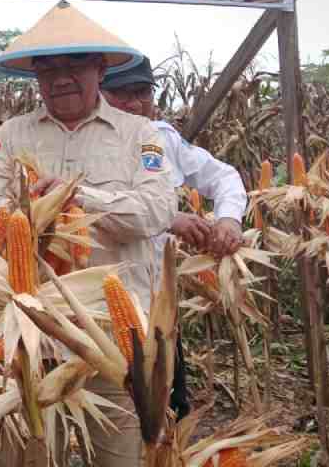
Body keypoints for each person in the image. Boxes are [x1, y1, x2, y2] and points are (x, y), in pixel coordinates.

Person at [0, 0, 177, 466]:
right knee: (21, 453)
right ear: (35, 76)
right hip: (29, 325)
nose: (61, 78)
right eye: (48, 69)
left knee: (119, 455)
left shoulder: (141, 135)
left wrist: (77, 198)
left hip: (114, 329)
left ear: (100, 68)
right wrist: (24, 217)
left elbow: (156, 210)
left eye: (75, 65)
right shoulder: (10, 135)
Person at [101, 56, 247, 420]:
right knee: (117, 409)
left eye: (142, 92)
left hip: (156, 295)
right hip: (102, 298)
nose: (134, 103)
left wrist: (228, 220)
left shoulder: (164, 139)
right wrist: (168, 218)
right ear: (99, 94)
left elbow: (223, 177)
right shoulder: (85, 142)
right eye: (121, 93)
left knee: (171, 405)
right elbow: (87, 204)